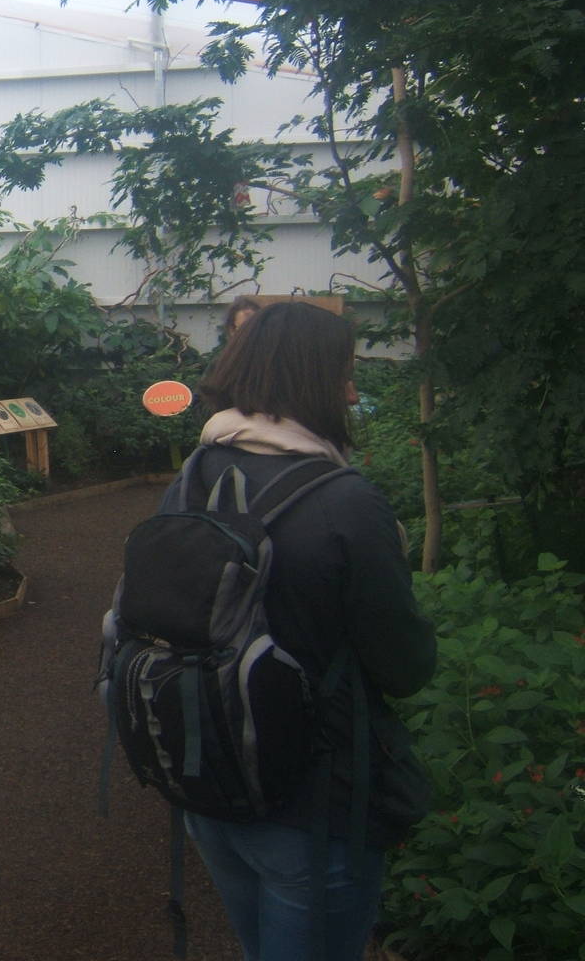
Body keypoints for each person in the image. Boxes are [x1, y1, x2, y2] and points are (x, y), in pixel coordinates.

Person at [178, 300, 436, 961]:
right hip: (313, 806)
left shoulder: (196, 473)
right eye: (345, 374)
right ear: (311, 381)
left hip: (211, 785)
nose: (353, 391)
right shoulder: (347, 502)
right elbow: (404, 668)